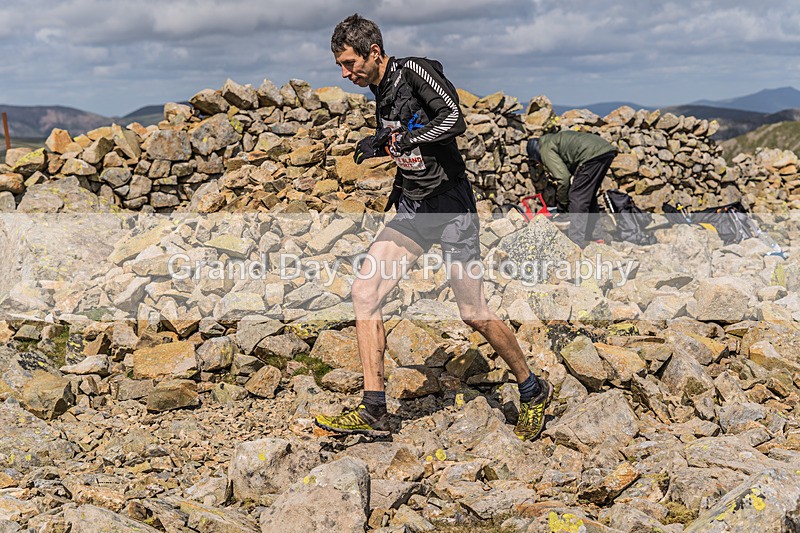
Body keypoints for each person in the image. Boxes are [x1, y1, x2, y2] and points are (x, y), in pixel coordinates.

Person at [314, 14, 553, 440]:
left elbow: (452, 121)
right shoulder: (378, 90)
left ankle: (532, 389)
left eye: (350, 63)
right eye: (340, 67)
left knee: (473, 313)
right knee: (364, 292)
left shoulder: (414, 70)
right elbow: (401, 138)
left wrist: (403, 140)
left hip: (451, 209)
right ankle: (373, 410)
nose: (346, 73)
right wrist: (381, 145)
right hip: (414, 208)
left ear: (374, 51)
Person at [527, 130, 617, 246]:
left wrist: (562, 204)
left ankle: (576, 242)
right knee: (588, 195)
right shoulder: (554, 141)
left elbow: (563, 178)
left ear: (535, 153)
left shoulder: (545, 149)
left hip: (591, 154)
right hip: (604, 150)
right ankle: (596, 237)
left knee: (577, 196)